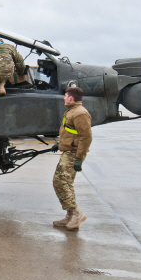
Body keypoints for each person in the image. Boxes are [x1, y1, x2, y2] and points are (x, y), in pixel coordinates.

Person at [51, 86, 92, 229]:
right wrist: (60, 144)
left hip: (73, 154)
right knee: (64, 183)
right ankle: (70, 216)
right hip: (68, 152)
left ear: (71, 98)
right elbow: (71, 132)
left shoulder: (80, 113)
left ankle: (76, 213)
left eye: (65, 95)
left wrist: (80, 158)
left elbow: (86, 137)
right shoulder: (72, 111)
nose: (63, 98)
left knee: (60, 182)